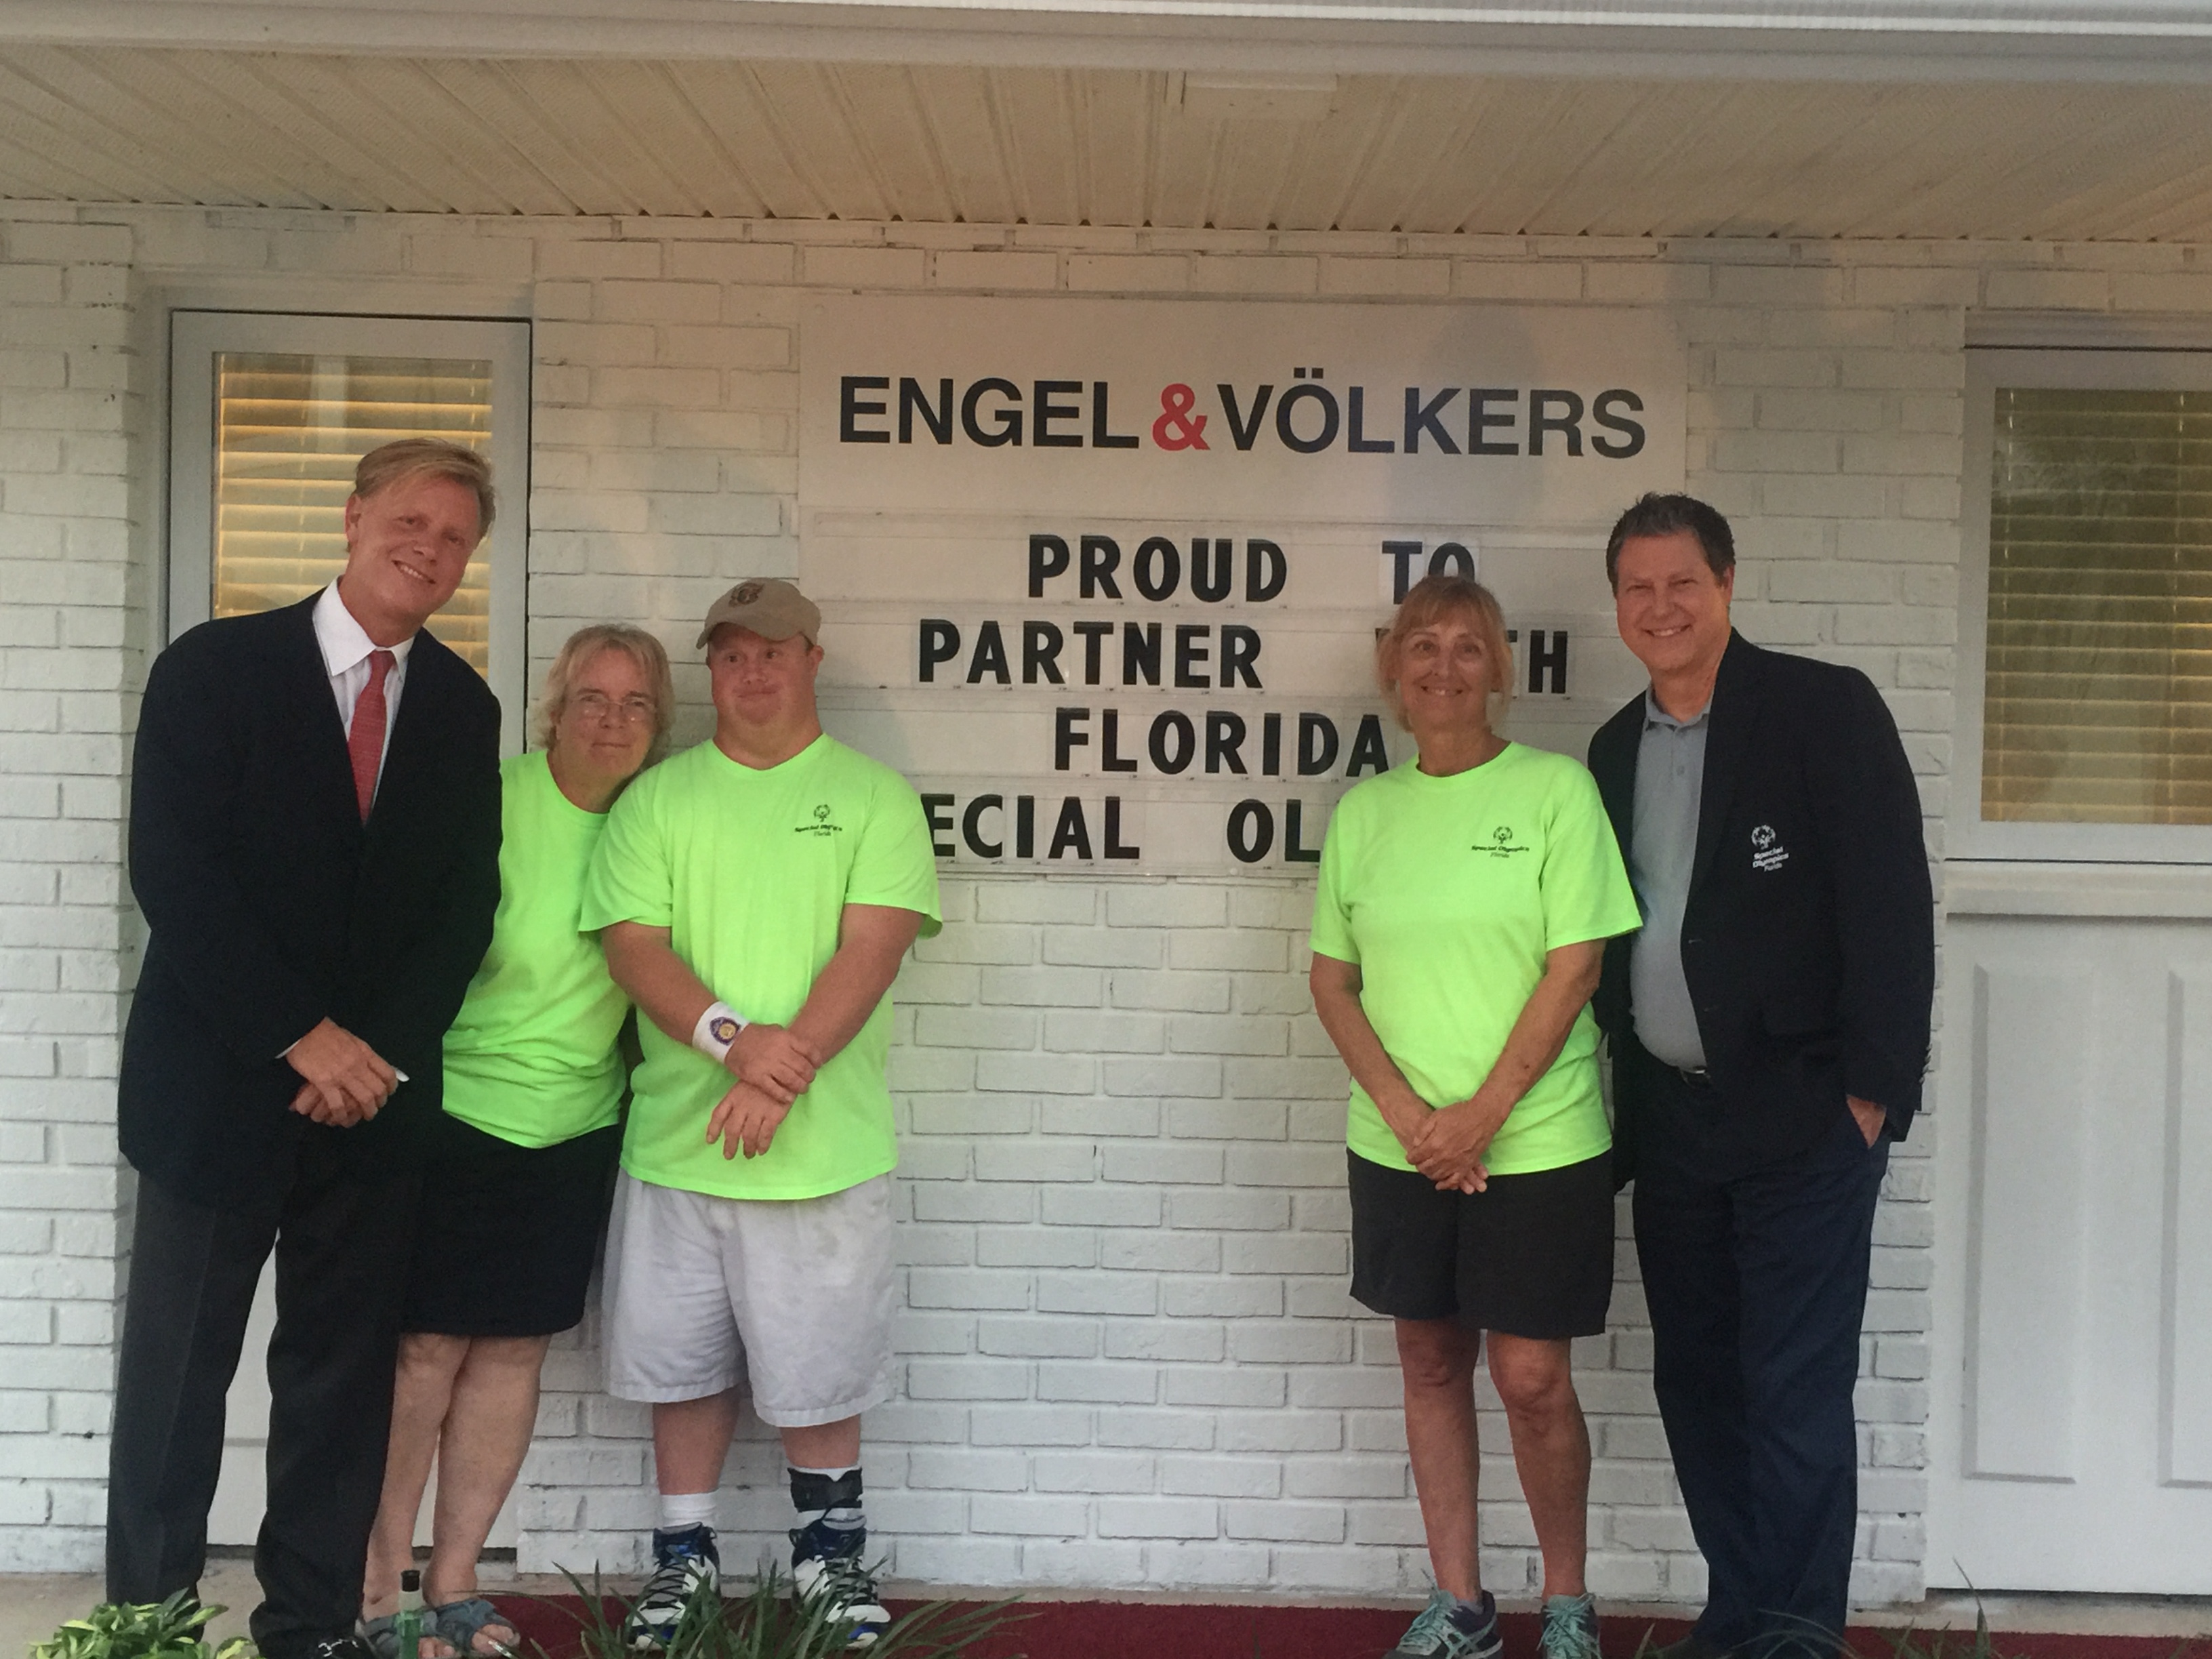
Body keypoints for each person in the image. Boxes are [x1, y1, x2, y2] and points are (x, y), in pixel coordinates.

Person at [107, 440, 504, 1659]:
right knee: (181, 1376)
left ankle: (312, 1626)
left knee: (339, 1389)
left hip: (371, 1106)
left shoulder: (461, 704)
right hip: (217, 1085)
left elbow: (460, 906)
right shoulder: (216, 668)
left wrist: (369, 1053)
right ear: (352, 519)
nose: (428, 549)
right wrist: (301, 1037)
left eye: (454, 537)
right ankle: (149, 1620)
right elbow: (177, 873)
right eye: (410, 522)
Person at [1585, 494, 1935, 1659]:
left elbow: (1889, 901)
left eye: (1682, 581)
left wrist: (1871, 1095)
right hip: (1675, 1126)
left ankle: (1797, 1634)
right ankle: (1741, 1612)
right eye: (1638, 587)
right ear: (1619, 606)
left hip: (1804, 1120)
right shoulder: (1612, 749)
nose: (1662, 606)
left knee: (1791, 1389)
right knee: (1700, 1385)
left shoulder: (1821, 710)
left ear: (1727, 584)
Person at [580, 578, 941, 1653]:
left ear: (813, 661)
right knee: (682, 1373)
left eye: (773, 653)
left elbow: (871, 948)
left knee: (819, 1375)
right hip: (679, 1147)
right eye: (731, 656)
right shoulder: (659, 800)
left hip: (822, 1154)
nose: (752, 674)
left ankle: (831, 1566)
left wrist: (778, 1076)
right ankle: (681, 1568)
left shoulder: (875, 798)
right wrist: (740, 1046)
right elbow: (634, 945)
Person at [1309, 575, 1643, 1659]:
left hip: (1539, 1143)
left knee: (1532, 1378)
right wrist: (1413, 1118)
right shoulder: (1366, 813)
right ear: (1392, 669)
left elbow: (1577, 965)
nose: (1442, 666)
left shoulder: (1555, 793)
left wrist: (1482, 1116)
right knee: (1432, 1361)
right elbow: (1331, 981)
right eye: (1421, 645)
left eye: (1467, 647)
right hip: (1402, 1145)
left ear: (1501, 670)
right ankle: (1463, 1606)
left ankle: (1566, 1603)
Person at [358, 625, 676, 1659]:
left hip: (578, 1124)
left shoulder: (664, 817)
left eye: (635, 704)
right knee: (424, 1352)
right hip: (456, 1107)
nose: (611, 721)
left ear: (658, 724)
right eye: (592, 697)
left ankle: (456, 1586)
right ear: (554, 706)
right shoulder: (492, 799)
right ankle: (378, 1588)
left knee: (510, 1351)